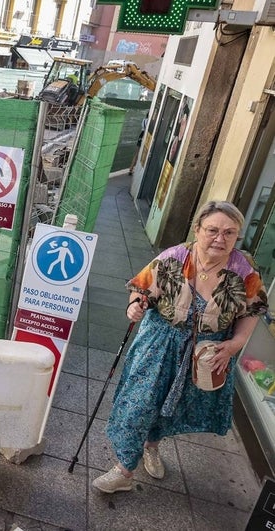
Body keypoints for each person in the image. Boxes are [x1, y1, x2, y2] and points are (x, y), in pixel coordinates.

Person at [93, 201, 269, 493]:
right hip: (160, 341)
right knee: (139, 403)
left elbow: (253, 310)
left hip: (204, 351)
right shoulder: (174, 258)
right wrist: (135, 306)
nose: (220, 239)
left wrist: (236, 344)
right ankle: (124, 469)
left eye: (229, 233)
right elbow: (141, 289)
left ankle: (151, 446)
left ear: (237, 236)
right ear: (197, 229)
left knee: (170, 407)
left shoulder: (244, 269)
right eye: (212, 230)